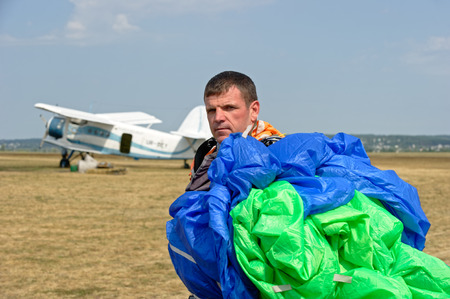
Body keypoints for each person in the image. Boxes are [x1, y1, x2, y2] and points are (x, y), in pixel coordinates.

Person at [186, 71, 284, 191]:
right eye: (211, 110)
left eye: (229, 108)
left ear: (253, 110)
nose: (218, 118)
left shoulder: (277, 152)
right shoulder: (205, 152)